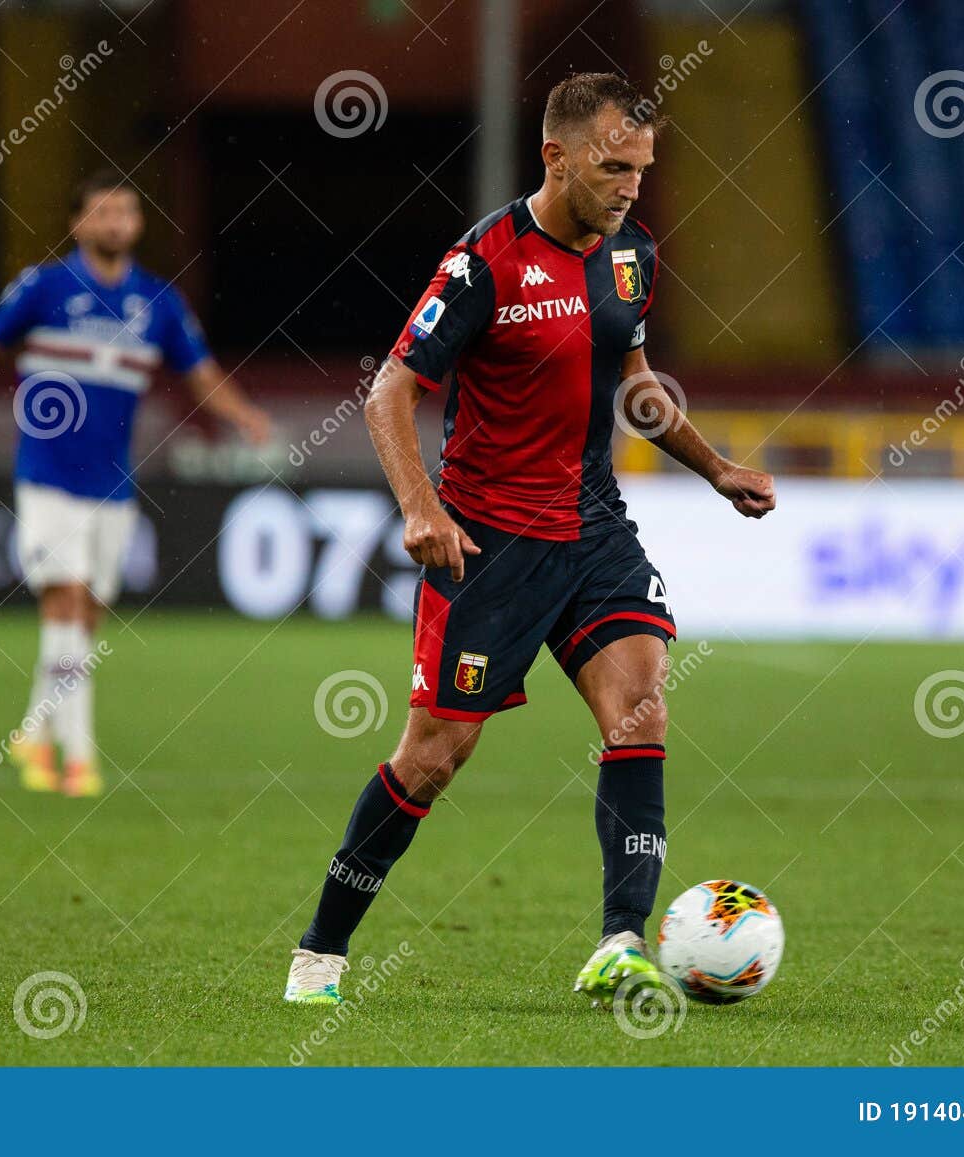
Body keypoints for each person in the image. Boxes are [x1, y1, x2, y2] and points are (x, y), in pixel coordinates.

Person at [283, 73, 777, 1006]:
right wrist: (421, 508)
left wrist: (715, 468)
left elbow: (632, 382)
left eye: (642, 167)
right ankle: (322, 950)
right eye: (612, 166)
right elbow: (391, 389)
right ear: (556, 156)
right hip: (491, 543)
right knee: (433, 756)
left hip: (594, 528)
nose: (632, 186)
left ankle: (621, 941)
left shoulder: (631, 255)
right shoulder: (484, 263)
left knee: (642, 708)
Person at [0, 170, 270, 797]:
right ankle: (78, 756)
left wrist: (246, 417)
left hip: (113, 486)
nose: (116, 222)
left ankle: (33, 730)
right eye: (103, 212)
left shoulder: (156, 303)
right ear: (78, 224)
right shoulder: (43, 289)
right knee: (67, 601)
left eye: (126, 211)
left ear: (138, 223)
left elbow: (199, 373)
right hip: (47, 478)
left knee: (87, 620)